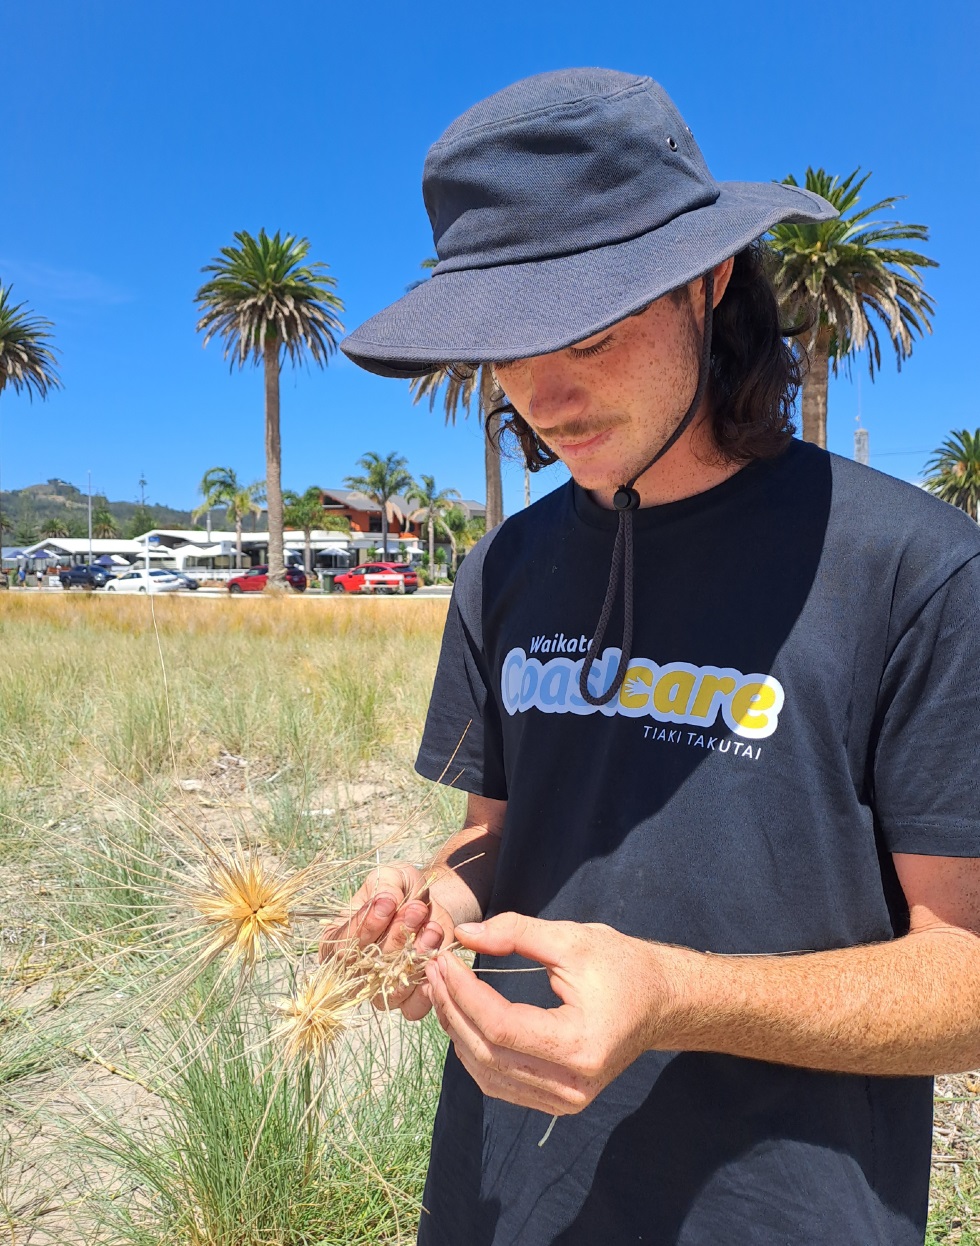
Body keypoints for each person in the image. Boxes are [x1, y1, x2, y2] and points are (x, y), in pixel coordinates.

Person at [325, 69, 980, 1245]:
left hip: (780, 1209)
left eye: (587, 330)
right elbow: (506, 835)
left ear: (707, 281)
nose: (544, 399)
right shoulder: (505, 568)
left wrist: (674, 997)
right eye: (504, 351)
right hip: (498, 1197)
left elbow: (968, 983)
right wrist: (431, 896)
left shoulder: (912, 568)